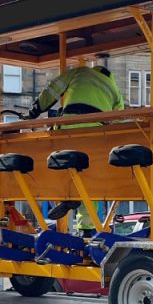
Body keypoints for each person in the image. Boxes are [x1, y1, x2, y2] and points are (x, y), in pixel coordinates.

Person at [27, 65, 125, 221]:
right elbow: (118, 119)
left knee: (62, 166)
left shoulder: (81, 72)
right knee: (89, 179)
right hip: (96, 136)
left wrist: (35, 110)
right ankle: (86, 228)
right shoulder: (114, 89)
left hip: (69, 130)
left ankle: (67, 197)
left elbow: (52, 90)